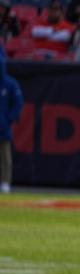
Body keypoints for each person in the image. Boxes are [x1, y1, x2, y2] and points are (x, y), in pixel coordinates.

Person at [0, 44, 24, 194]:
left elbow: (17, 103)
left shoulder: (10, 83)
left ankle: (5, 182)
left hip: (3, 126)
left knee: (5, 157)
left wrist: (8, 119)